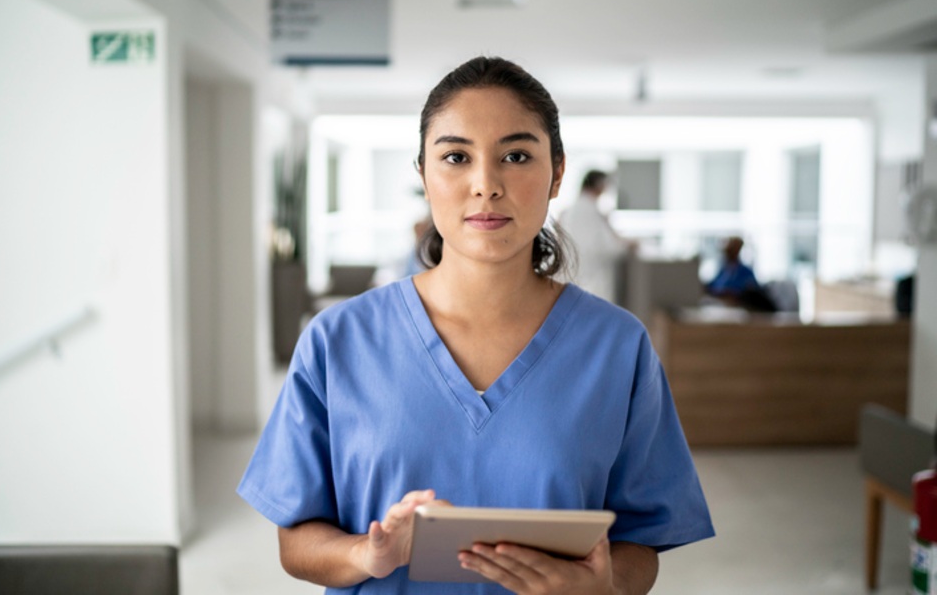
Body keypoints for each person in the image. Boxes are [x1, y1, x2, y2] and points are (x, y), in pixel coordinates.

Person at [237, 56, 714, 594]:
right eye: (456, 157)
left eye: (515, 156)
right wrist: (366, 554)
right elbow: (296, 541)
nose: (485, 185)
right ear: (423, 174)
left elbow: (640, 543)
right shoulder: (338, 340)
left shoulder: (617, 347)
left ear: (557, 173)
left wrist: (602, 588)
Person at [558, 170, 633, 304]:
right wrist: (628, 244)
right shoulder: (594, 213)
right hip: (594, 285)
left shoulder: (567, 212)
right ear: (599, 185)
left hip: (570, 284)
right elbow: (611, 249)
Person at [705, 236, 776, 312]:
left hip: (739, 310)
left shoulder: (746, 271)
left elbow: (752, 292)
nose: (729, 252)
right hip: (720, 307)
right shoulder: (723, 270)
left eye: (732, 248)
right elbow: (712, 286)